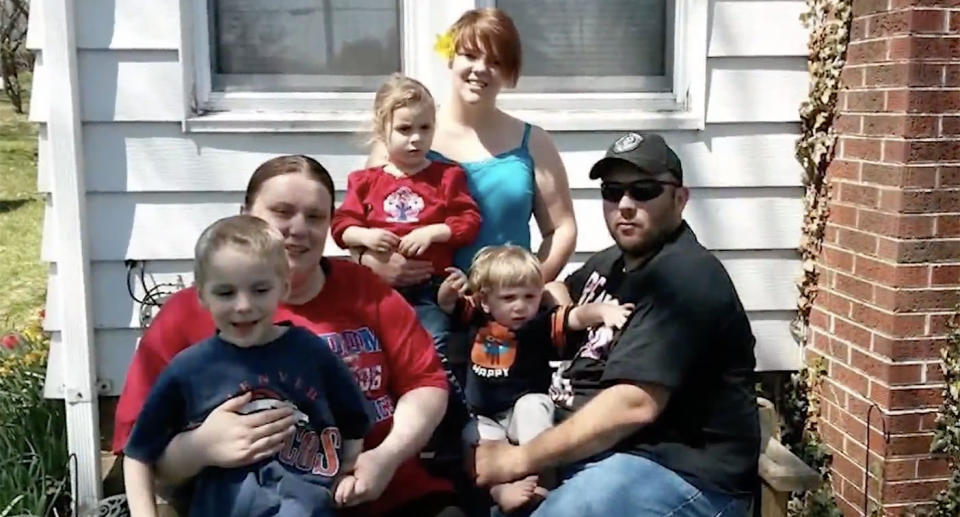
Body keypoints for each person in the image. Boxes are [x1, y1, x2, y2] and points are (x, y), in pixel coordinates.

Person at [113, 155, 467, 517]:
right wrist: (199, 447)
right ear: (245, 213)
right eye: (281, 211)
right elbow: (140, 449)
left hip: (384, 491)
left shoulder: (367, 291)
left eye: (314, 217)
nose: (297, 229)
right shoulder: (188, 314)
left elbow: (424, 382)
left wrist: (386, 457)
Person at [473, 133, 760, 516]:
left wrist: (519, 459)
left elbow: (632, 406)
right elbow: (559, 292)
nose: (625, 205)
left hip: (675, 470)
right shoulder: (613, 264)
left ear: (680, 199)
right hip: (595, 451)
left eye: (644, 191)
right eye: (612, 191)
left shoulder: (686, 279)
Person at [123, 215, 371, 517]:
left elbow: (354, 420)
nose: (243, 305)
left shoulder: (310, 352)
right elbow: (138, 454)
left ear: (284, 288)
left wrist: (346, 472)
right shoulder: (189, 369)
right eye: (225, 292)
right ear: (201, 295)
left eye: (260, 290)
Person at [362, 7, 576, 288]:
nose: (480, 69)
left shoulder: (533, 142)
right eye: (470, 55)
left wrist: (526, 289)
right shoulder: (403, 135)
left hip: (501, 317)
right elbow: (359, 221)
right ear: (451, 57)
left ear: (510, 72)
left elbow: (561, 229)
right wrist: (371, 263)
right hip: (419, 306)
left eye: (496, 61)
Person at [438, 245, 634, 514]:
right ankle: (499, 491)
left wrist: (601, 311)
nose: (520, 306)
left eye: (529, 296)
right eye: (508, 298)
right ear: (485, 300)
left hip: (522, 416)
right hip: (484, 415)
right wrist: (449, 290)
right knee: (471, 437)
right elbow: (448, 304)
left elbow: (574, 316)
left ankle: (542, 479)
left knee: (534, 404)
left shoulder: (540, 324)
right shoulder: (477, 317)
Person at [331, 74, 481, 409]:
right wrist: (365, 236)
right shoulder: (366, 181)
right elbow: (342, 225)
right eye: (405, 129)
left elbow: (468, 220)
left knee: (433, 348)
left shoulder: (447, 175)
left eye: (425, 129)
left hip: (432, 288)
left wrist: (434, 232)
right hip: (377, 291)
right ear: (381, 128)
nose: (416, 139)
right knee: (368, 352)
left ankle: (450, 420)